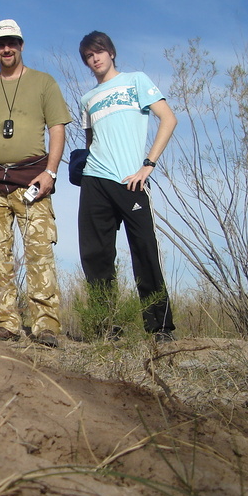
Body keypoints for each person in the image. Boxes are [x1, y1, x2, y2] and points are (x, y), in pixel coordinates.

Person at [0, 20, 71, 347]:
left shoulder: (44, 83)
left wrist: (50, 172)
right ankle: (6, 323)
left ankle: (46, 325)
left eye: (11, 42)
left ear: (21, 45)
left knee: (39, 252)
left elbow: (57, 128)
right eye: (0, 44)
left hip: (32, 178)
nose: (6, 48)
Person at [77, 31, 177, 342]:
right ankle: (106, 327)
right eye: (89, 56)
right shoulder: (87, 99)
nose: (96, 58)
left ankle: (160, 328)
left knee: (144, 250)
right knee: (96, 255)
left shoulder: (136, 80)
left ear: (111, 52)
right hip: (95, 180)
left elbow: (168, 119)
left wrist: (148, 164)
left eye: (100, 51)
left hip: (130, 180)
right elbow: (90, 142)